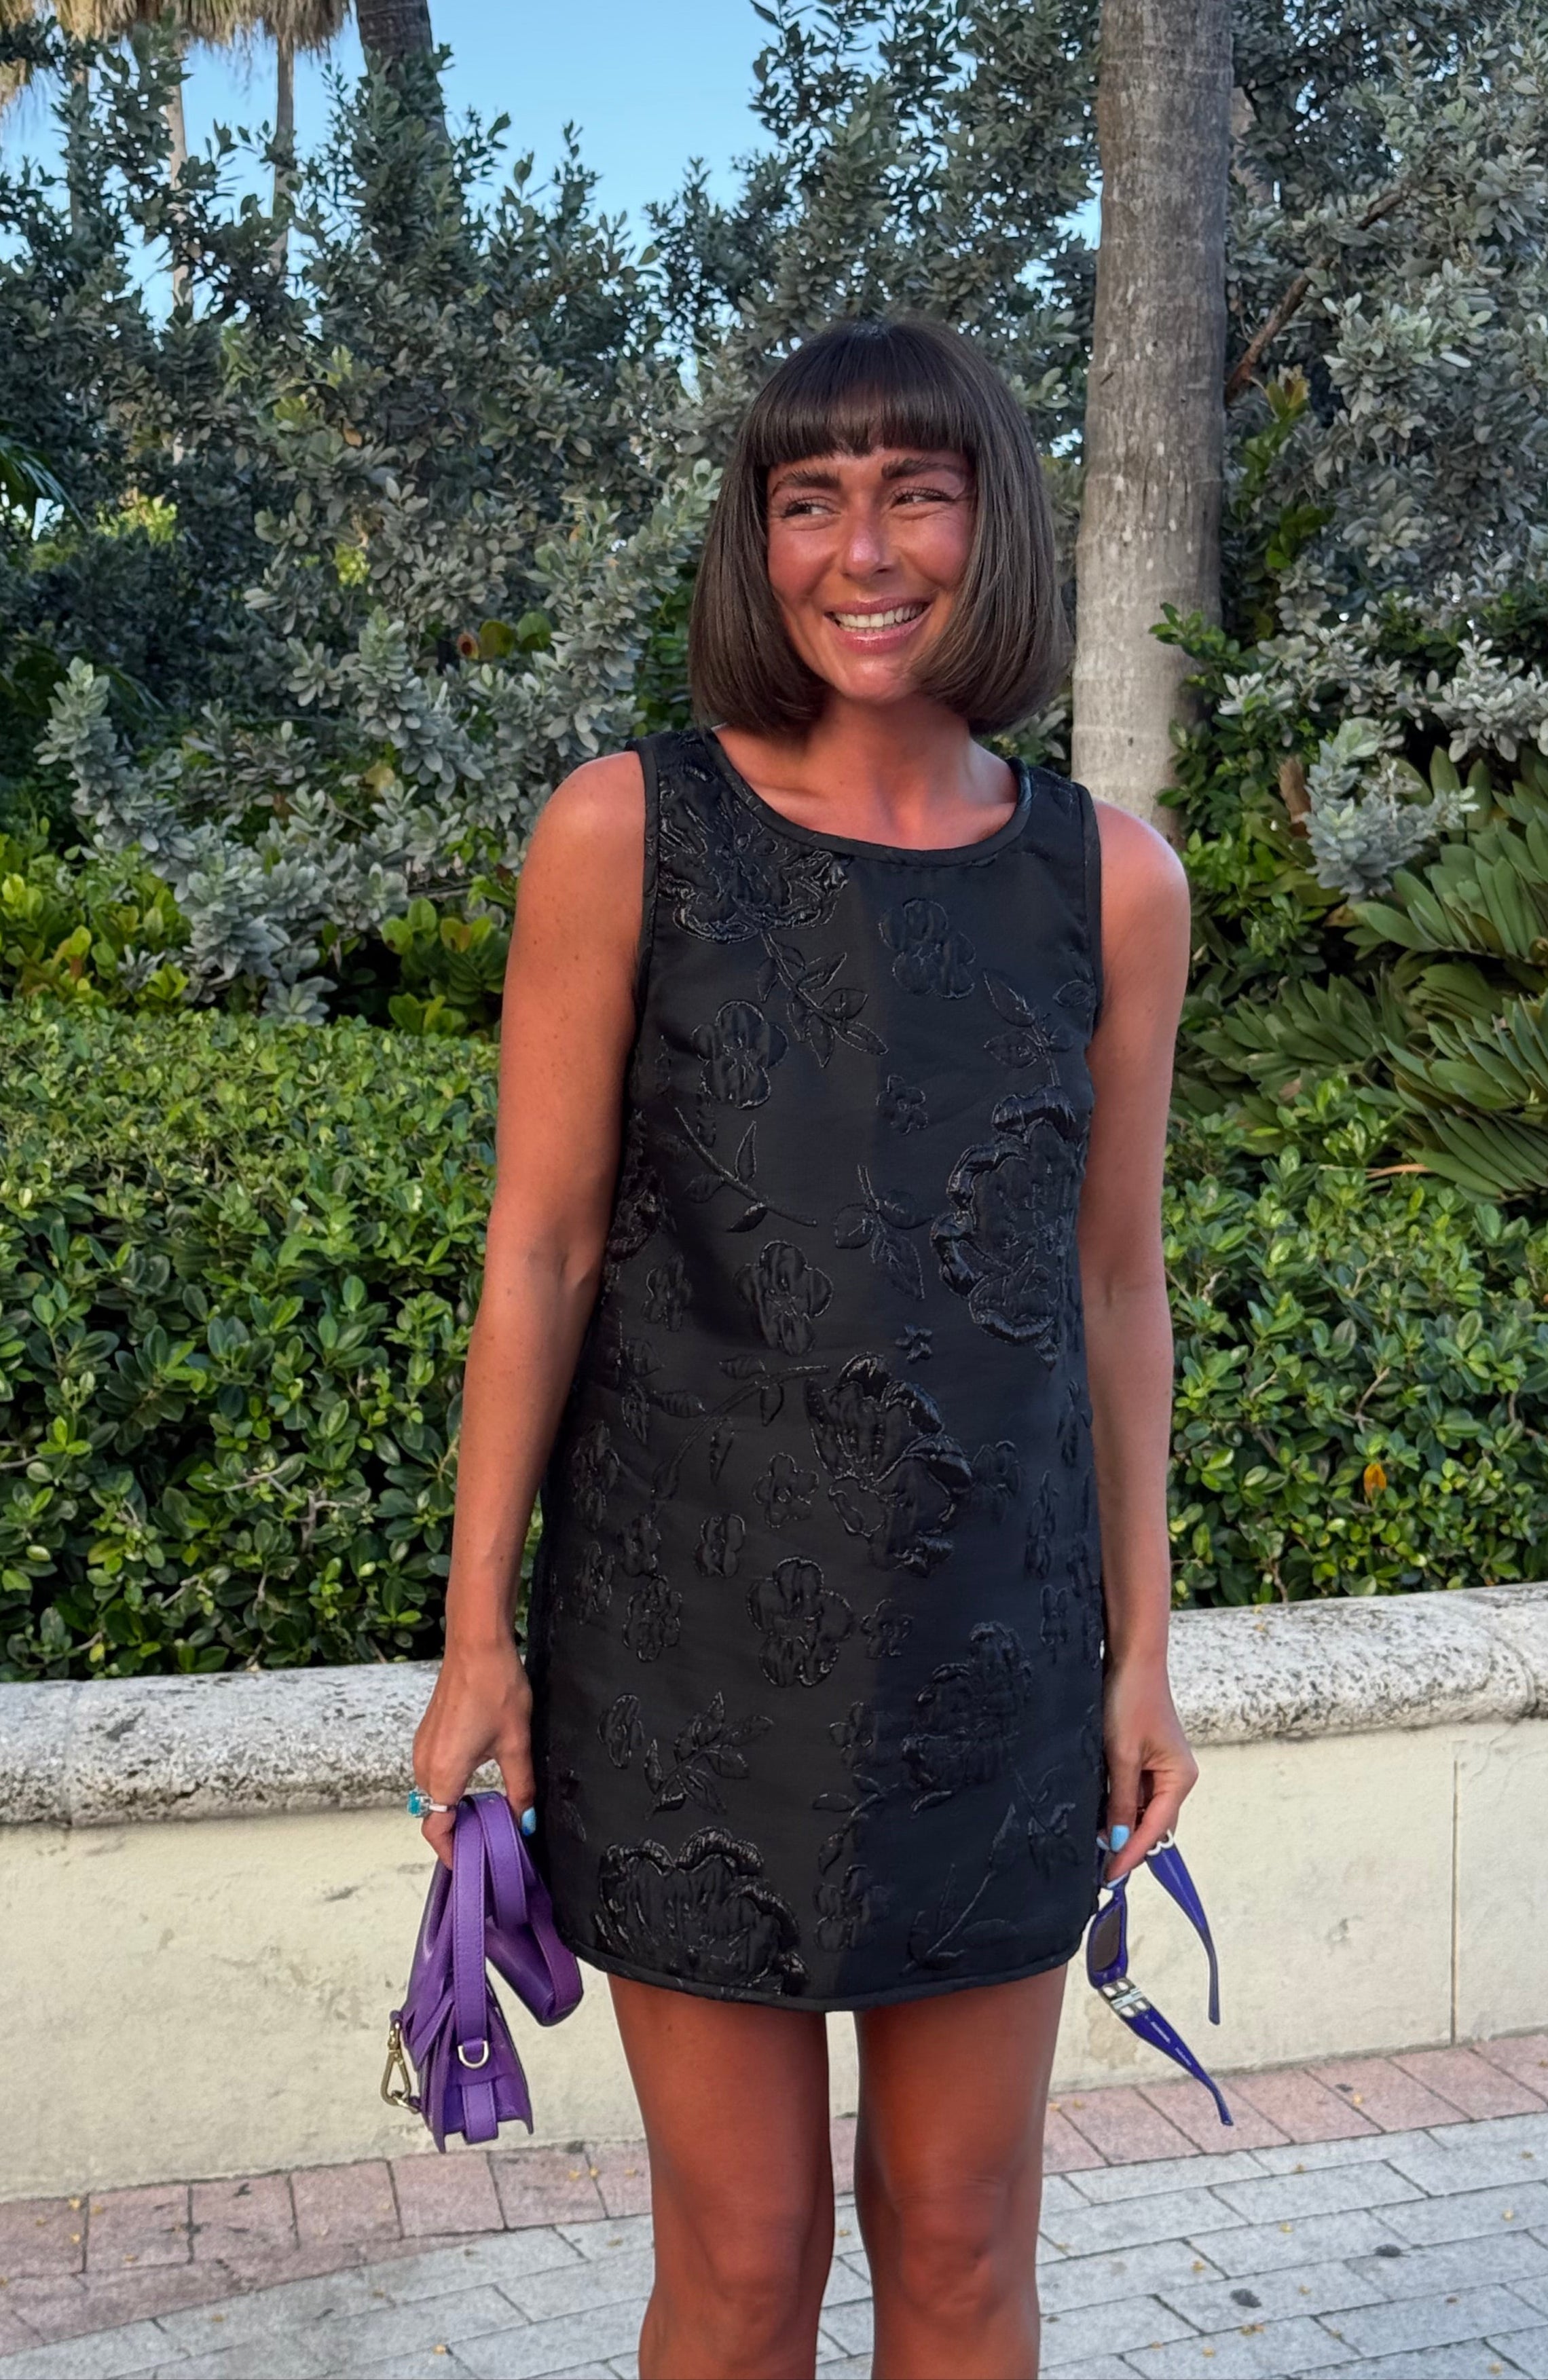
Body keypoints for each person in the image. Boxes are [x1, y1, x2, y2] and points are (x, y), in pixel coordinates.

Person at [411, 314, 1198, 2380]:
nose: (863, 550)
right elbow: (539, 1251)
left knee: (959, 2244)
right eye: (808, 499)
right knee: (748, 2262)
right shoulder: (624, 830)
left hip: (991, 1658)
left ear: (993, 524)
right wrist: (479, 1635)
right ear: (754, 542)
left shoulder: (1114, 882)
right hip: (683, 1660)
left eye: (916, 493)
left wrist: (1141, 1648)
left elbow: (1116, 1284)